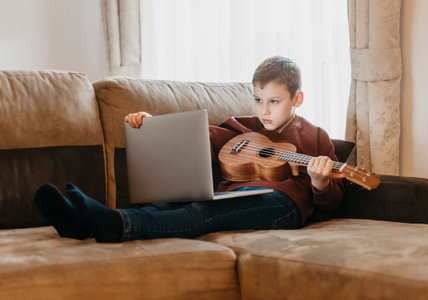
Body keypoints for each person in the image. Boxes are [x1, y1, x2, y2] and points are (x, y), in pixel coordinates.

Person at [33, 56, 344, 243]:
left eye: (274, 102)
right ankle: (81, 225)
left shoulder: (315, 137)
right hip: (233, 193)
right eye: (258, 100)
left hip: (282, 204)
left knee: (201, 213)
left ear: (297, 99)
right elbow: (195, 139)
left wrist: (320, 184)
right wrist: (154, 124)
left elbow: (333, 201)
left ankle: (116, 225)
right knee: (169, 204)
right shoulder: (241, 126)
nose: (264, 110)